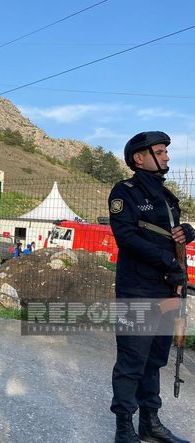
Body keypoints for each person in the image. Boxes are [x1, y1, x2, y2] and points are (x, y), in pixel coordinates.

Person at [109, 131, 194, 443]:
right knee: (132, 361)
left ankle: (150, 423)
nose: (167, 156)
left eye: (166, 152)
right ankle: (123, 429)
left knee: (155, 359)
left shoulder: (167, 197)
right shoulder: (125, 192)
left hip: (166, 290)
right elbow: (127, 238)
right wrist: (168, 261)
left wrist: (187, 231)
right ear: (139, 158)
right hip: (138, 291)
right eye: (160, 152)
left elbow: (170, 235)